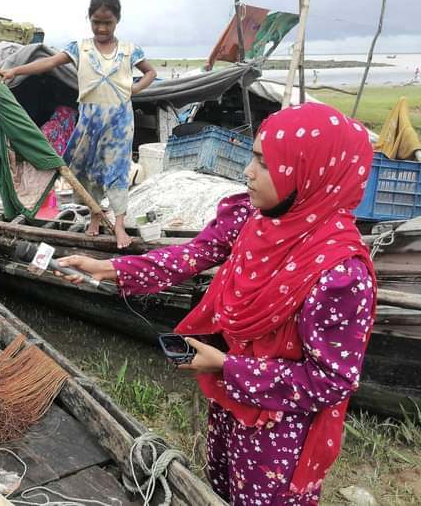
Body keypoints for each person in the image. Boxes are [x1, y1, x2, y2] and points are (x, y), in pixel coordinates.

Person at [55, 103, 376, 504]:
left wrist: (227, 365)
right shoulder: (254, 217)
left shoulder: (340, 275)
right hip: (230, 400)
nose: (248, 171)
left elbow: (330, 381)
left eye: (265, 161)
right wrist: (110, 269)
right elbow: (192, 255)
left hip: (278, 431)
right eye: (253, 156)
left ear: (310, 172)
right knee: (220, 489)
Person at [0, 0, 157, 248]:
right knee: (85, 171)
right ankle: (95, 214)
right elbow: (49, 63)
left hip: (119, 123)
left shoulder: (129, 50)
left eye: (108, 22)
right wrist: (16, 70)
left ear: (118, 20)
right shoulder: (79, 48)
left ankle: (118, 225)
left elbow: (150, 72)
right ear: (89, 19)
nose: (102, 28)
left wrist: (136, 89)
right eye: (96, 22)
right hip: (89, 122)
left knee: (117, 171)